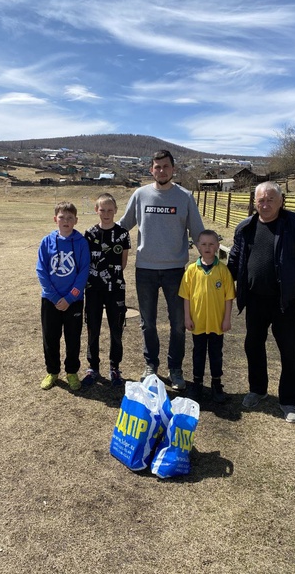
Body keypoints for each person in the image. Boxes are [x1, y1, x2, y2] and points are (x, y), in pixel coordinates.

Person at [228, 181, 295, 423]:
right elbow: (235, 260)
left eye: (270, 200)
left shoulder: (293, 224)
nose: (265, 204)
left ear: (281, 201)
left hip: (285, 301)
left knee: (289, 351)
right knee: (253, 346)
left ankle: (289, 401)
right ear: (254, 202)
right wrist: (222, 285)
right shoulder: (245, 227)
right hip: (255, 299)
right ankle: (257, 390)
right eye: (261, 200)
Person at [118, 149, 204, 390]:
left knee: (178, 323)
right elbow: (123, 225)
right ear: (151, 170)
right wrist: (98, 236)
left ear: (173, 169)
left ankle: (175, 369)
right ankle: (151, 366)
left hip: (176, 270)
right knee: (148, 322)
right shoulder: (140, 195)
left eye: (166, 166)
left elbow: (197, 231)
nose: (161, 171)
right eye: (157, 167)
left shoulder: (185, 197)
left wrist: (212, 259)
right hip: (145, 269)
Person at [36, 201, 90, 391]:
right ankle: (52, 371)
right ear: (55, 219)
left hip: (73, 301)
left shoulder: (81, 243)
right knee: (50, 337)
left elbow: (83, 272)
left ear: (76, 220)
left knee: (73, 338)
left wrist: (69, 298)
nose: (65, 221)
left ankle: (72, 371)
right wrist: (53, 296)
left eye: (70, 218)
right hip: (50, 300)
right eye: (62, 217)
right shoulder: (46, 242)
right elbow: (41, 270)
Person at [179, 229, 235, 403]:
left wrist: (227, 319)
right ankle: (197, 384)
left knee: (216, 354)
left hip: (217, 323)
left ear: (218, 246)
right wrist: (187, 317)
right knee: (198, 353)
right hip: (198, 323)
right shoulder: (191, 270)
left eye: (211, 244)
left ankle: (216, 385)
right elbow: (186, 296)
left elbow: (229, 297)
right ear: (197, 246)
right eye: (203, 244)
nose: (207, 247)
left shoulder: (223, 271)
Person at [83, 193, 131, 387]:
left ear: (116, 211)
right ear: (96, 210)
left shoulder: (122, 234)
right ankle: (93, 367)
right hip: (93, 289)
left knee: (116, 329)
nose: (106, 213)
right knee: (92, 328)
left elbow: (123, 262)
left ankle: (115, 367)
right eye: (102, 209)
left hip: (116, 289)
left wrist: (110, 277)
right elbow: (86, 261)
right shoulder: (90, 234)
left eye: (110, 210)